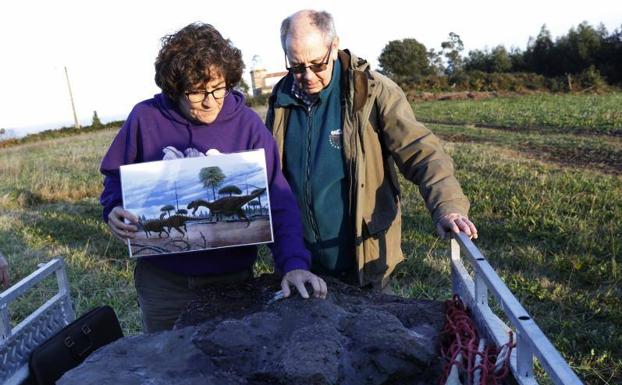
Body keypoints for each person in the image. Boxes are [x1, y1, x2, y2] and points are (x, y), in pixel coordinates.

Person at [100, 23, 327, 333]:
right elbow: (115, 178)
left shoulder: (247, 124)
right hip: (164, 284)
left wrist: (294, 264)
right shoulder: (144, 118)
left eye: (218, 88)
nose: (210, 101)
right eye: (196, 93)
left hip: (232, 280)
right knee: (166, 364)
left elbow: (278, 199)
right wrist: (113, 207)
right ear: (174, 88)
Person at [266, 10, 478, 292]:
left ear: (334, 45)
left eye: (317, 64)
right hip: (304, 268)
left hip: (364, 266)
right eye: (296, 66)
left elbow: (422, 152)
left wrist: (448, 207)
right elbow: (272, 176)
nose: (307, 75)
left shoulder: (373, 92)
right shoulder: (280, 100)